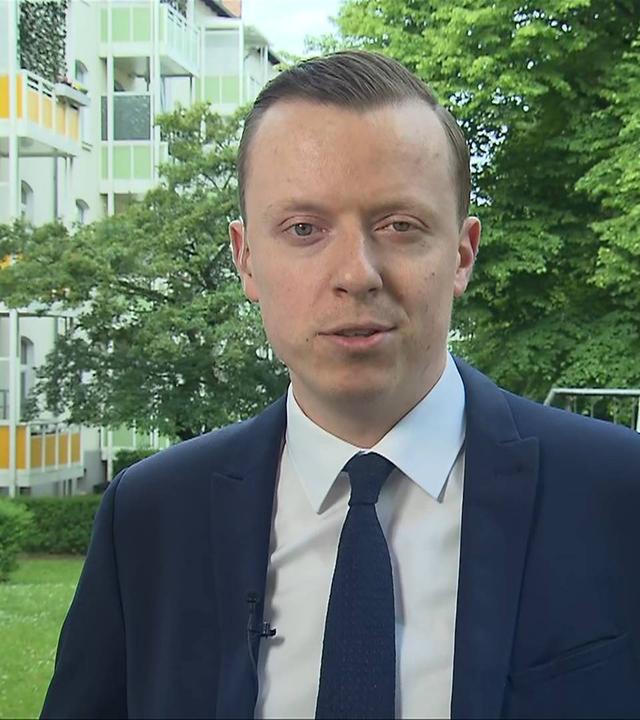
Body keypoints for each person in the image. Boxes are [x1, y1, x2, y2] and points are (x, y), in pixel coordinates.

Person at [41, 52, 640, 720]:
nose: (357, 274)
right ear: (246, 258)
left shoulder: (620, 494)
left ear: (462, 253)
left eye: (400, 226)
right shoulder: (149, 520)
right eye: (304, 229)